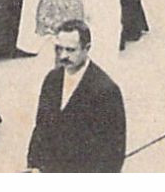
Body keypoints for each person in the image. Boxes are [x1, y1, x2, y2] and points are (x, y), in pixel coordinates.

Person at [25, 19, 128, 173]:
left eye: (70, 50)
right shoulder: (52, 80)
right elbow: (40, 129)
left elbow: (113, 154)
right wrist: (33, 166)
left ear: (87, 49)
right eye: (59, 49)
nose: (63, 56)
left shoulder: (106, 91)